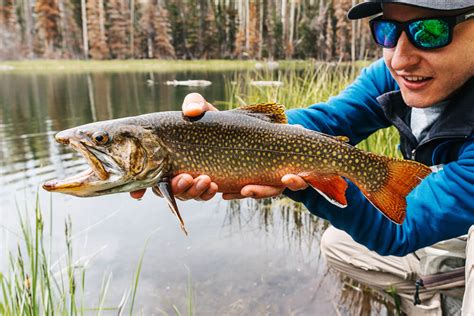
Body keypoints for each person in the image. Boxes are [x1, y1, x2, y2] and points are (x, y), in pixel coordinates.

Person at [131, 1, 474, 314]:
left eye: (430, 32)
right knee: (339, 246)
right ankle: (442, 291)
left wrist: (296, 176)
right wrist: (229, 131)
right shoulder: (396, 76)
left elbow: (401, 228)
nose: (400, 59)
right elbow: (326, 121)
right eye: (387, 31)